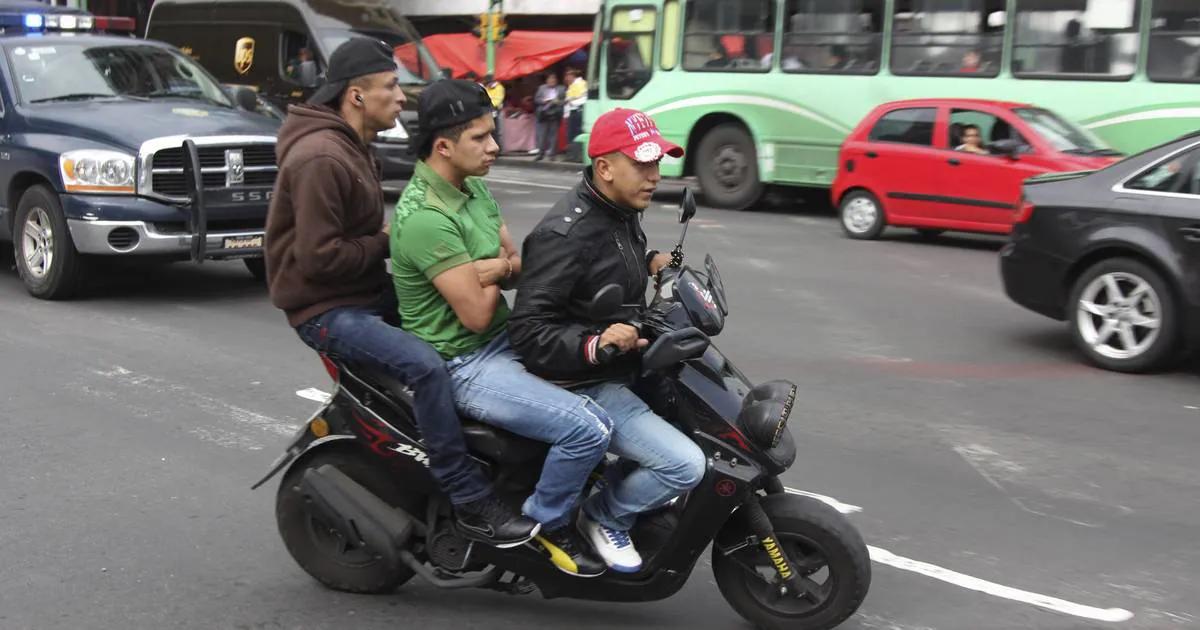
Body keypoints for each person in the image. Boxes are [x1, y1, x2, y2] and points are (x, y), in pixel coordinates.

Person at [263, 39, 537, 549]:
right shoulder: (321, 156)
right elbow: (320, 260)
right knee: (426, 365)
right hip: (325, 306)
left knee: (447, 318)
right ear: (357, 95)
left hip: (359, 288)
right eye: (390, 86)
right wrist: (389, 240)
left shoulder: (351, 141)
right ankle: (468, 495)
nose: (401, 97)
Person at [391, 79, 612, 577]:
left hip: (506, 340)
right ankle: (544, 531)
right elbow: (475, 314)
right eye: (481, 138)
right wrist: (497, 267)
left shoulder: (473, 188)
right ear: (443, 146)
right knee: (587, 428)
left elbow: (520, 261)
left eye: (493, 134)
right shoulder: (425, 216)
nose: (497, 146)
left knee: (617, 375)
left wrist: (485, 268)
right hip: (464, 362)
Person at [509, 108, 707, 573]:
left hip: (625, 363)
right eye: (642, 164)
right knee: (686, 466)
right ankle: (603, 516)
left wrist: (654, 261)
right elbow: (528, 331)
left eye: (657, 163)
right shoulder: (566, 234)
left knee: (695, 421)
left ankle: (612, 488)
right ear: (604, 167)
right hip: (583, 383)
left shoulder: (619, 211)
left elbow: (613, 269)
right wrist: (594, 344)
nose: (654, 176)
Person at [534, 73, 565, 161]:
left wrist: (557, 102)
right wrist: (543, 101)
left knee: (553, 136)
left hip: (555, 114)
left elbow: (564, 101)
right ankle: (541, 153)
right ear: (547, 80)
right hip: (543, 114)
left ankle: (552, 155)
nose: (552, 81)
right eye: (550, 79)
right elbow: (536, 99)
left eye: (553, 79)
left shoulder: (561, 89)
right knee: (542, 135)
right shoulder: (542, 88)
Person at [563, 68, 588, 150]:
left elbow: (584, 98)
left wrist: (572, 101)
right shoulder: (572, 85)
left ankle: (576, 153)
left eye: (568, 76)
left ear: (572, 76)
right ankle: (573, 153)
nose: (566, 79)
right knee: (572, 133)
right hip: (573, 111)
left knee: (577, 133)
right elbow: (568, 99)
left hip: (578, 111)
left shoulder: (582, 83)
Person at [483, 73, 506, 153]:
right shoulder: (486, 88)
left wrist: (489, 104)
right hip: (488, 111)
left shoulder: (498, 88)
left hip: (496, 111)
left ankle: (499, 149)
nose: (488, 84)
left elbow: (498, 100)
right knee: (490, 130)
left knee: (497, 131)